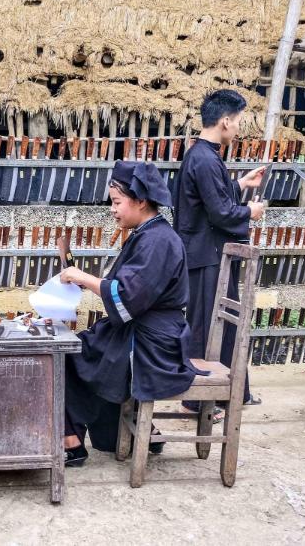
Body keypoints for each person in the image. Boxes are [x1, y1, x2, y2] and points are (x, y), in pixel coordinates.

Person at [59, 160, 204, 466]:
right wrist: (88, 282)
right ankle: (134, 431)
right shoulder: (148, 233)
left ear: (140, 201)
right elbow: (127, 290)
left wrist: (84, 278)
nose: (112, 209)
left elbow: (127, 296)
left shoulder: (158, 241)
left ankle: (71, 441)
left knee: (67, 353)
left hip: (153, 344)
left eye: (116, 202)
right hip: (143, 331)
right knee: (81, 345)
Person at [172, 89, 266, 418]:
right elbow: (221, 213)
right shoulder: (205, 158)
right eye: (239, 121)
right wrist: (250, 211)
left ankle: (220, 395)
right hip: (204, 255)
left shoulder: (202, 154)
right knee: (206, 325)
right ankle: (198, 399)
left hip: (203, 252)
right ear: (225, 121)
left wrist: (240, 184)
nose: (239, 128)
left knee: (213, 323)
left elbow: (211, 197)